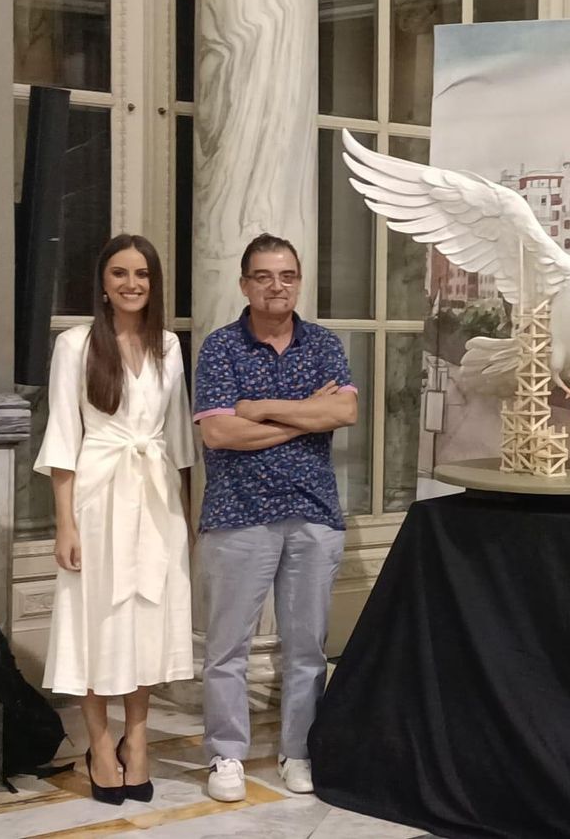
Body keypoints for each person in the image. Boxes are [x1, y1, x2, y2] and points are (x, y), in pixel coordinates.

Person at [193, 233, 358, 802]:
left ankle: (298, 752)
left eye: (287, 275)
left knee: (308, 648)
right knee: (227, 649)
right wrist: (307, 414)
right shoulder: (220, 348)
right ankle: (226, 757)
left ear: (299, 280)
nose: (276, 285)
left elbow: (346, 409)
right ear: (244, 284)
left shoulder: (323, 344)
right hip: (238, 515)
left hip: (313, 514)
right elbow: (218, 431)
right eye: (263, 276)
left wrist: (260, 408)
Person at [35, 234, 196, 806]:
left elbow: (178, 441)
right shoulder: (75, 345)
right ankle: (100, 744)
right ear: (102, 283)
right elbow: (61, 438)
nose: (132, 284)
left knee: (146, 621)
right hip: (97, 501)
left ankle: (139, 740)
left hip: (155, 502)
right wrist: (65, 524)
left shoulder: (169, 347)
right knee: (97, 622)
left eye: (143, 275)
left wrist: (185, 521)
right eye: (121, 273)